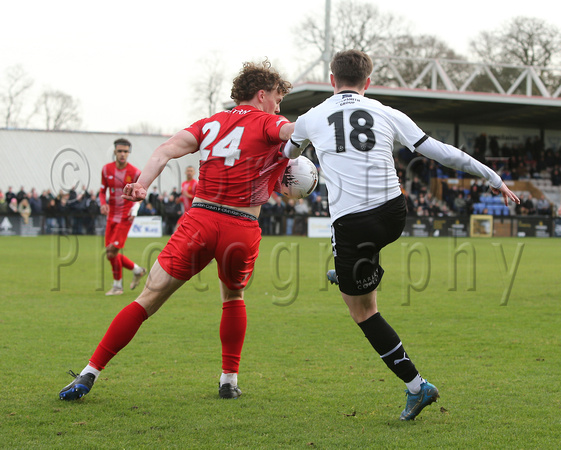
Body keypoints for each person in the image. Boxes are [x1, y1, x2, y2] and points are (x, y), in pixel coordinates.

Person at [283, 50, 520, 421]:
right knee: (357, 264)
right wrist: (493, 176)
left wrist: (294, 162)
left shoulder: (311, 118)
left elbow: (288, 154)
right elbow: (441, 153)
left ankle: (417, 387)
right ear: (368, 82)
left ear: (331, 80)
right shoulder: (386, 112)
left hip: (353, 225)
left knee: (362, 310)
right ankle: (352, 273)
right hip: (395, 215)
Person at [59, 59, 294, 401]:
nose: (278, 105)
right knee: (233, 297)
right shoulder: (271, 121)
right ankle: (228, 380)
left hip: (199, 220)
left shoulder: (210, 123)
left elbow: (166, 150)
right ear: (261, 94)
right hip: (240, 227)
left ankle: (88, 374)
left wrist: (141, 185)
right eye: (277, 98)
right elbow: (289, 133)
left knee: (147, 299)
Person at [100, 138, 147, 296]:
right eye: (119, 151)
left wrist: (134, 211)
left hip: (125, 217)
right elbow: (101, 191)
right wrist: (102, 203)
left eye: (125, 151)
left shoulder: (135, 172)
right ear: (114, 152)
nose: (122, 154)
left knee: (112, 252)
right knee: (109, 253)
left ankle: (118, 286)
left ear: (129, 153)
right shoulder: (106, 170)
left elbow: (140, 194)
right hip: (111, 216)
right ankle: (138, 270)